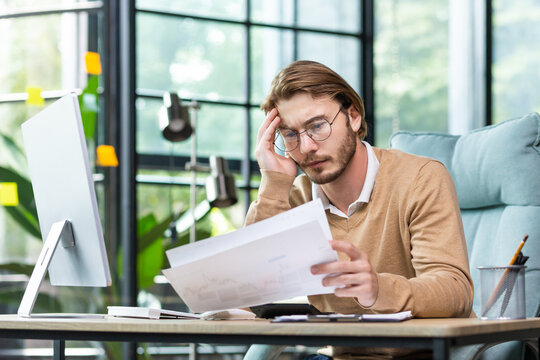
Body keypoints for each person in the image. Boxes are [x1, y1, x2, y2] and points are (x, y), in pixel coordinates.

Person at [246, 60, 474, 359]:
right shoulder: (293, 197)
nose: (306, 147)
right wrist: (272, 183)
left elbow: (455, 290)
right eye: (290, 134)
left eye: (317, 126)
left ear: (353, 116)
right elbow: (254, 287)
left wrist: (378, 289)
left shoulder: (420, 178)